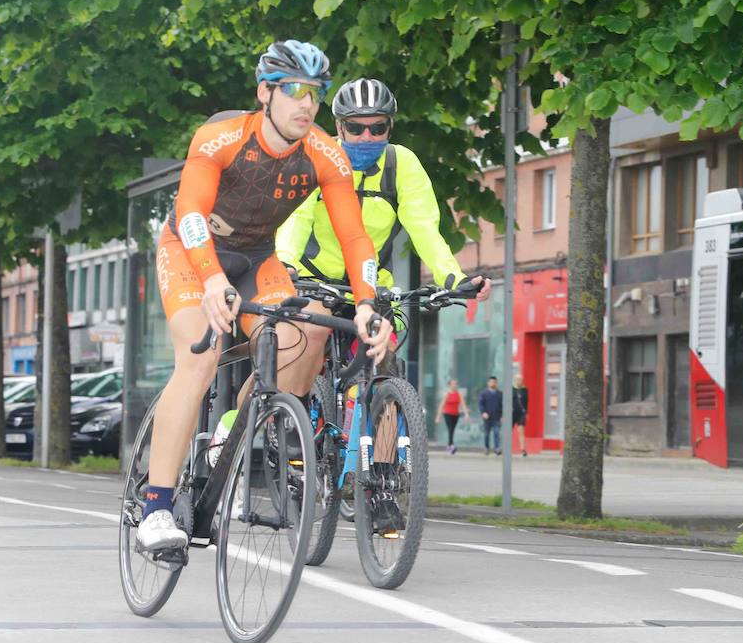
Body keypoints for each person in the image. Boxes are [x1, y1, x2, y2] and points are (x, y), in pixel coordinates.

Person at [138, 40, 392, 551]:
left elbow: (355, 237)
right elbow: (190, 212)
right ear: (265, 93)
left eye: (315, 93)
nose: (307, 104)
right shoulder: (220, 138)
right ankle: (156, 506)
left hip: (256, 259)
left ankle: (236, 440)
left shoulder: (325, 154)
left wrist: (367, 302)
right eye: (294, 91)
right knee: (201, 356)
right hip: (192, 251)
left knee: (311, 324)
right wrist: (211, 279)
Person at [276, 77, 492, 305]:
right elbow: (297, 217)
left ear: (390, 127)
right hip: (309, 284)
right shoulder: (316, 156)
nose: (367, 137)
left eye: (377, 128)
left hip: (373, 287)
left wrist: (453, 279)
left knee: (383, 341)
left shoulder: (401, 163)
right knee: (310, 333)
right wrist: (285, 262)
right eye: (355, 127)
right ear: (339, 127)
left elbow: (424, 228)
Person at [439, 378, 466, 454]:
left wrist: (466, 414)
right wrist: (438, 417)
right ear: (449, 385)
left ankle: (449, 446)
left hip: (455, 414)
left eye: (456, 384)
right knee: (450, 429)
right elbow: (442, 405)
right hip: (447, 414)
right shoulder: (447, 394)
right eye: (453, 384)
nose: (455, 385)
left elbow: (463, 404)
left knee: (452, 429)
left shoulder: (459, 394)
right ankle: (451, 446)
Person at [478, 376, 503, 455]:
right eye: (491, 382)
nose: (493, 383)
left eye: (494, 382)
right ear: (488, 383)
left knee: (496, 433)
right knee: (487, 433)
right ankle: (486, 448)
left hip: (497, 417)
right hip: (487, 417)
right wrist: (483, 412)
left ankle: (497, 448)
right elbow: (481, 404)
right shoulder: (484, 393)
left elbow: (502, 405)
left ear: (496, 383)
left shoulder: (500, 394)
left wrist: (502, 416)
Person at [511, 375, 529, 456]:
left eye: (521, 380)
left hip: (521, 413)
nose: (519, 381)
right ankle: (505, 448)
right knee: (508, 432)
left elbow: (526, 402)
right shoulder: (511, 389)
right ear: (515, 380)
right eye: (518, 380)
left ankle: (523, 449)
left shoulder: (525, 390)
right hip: (512, 412)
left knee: (521, 431)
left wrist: (526, 413)